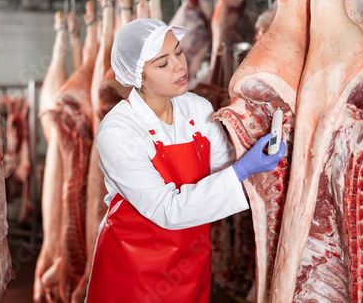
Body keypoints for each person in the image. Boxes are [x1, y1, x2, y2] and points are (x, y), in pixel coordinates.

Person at [85, 18, 286, 303]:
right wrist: (243, 170)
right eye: (162, 63)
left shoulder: (198, 108)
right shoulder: (118, 131)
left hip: (190, 264)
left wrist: (258, 155)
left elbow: (225, 171)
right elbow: (168, 209)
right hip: (133, 269)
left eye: (178, 52)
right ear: (137, 76)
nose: (180, 66)